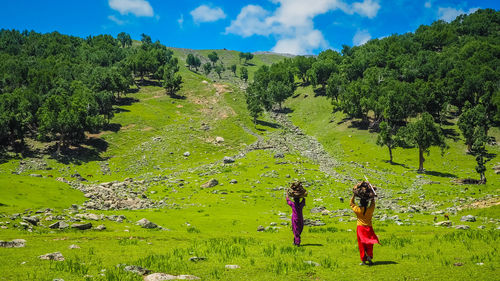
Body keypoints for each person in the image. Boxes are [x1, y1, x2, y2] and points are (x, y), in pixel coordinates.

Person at [350, 193, 379, 265]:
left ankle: (363, 260)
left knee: (361, 244)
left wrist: (354, 195)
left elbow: (351, 203)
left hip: (360, 228)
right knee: (370, 243)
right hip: (369, 228)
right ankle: (369, 257)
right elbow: (373, 204)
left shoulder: (358, 210)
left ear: (360, 202)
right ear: (367, 203)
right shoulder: (370, 210)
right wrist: (372, 198)